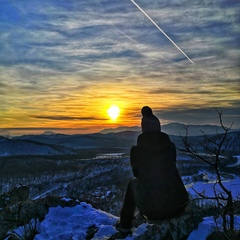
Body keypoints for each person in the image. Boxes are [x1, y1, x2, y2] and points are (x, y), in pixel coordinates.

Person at [116, 107, 188, 233]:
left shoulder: (137, 151)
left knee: (132, 184)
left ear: (143, 128)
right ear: (159, 127)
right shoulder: (170, 147)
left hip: (153, 210)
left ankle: (124, 225)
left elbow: (137, 175)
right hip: (179, 204)